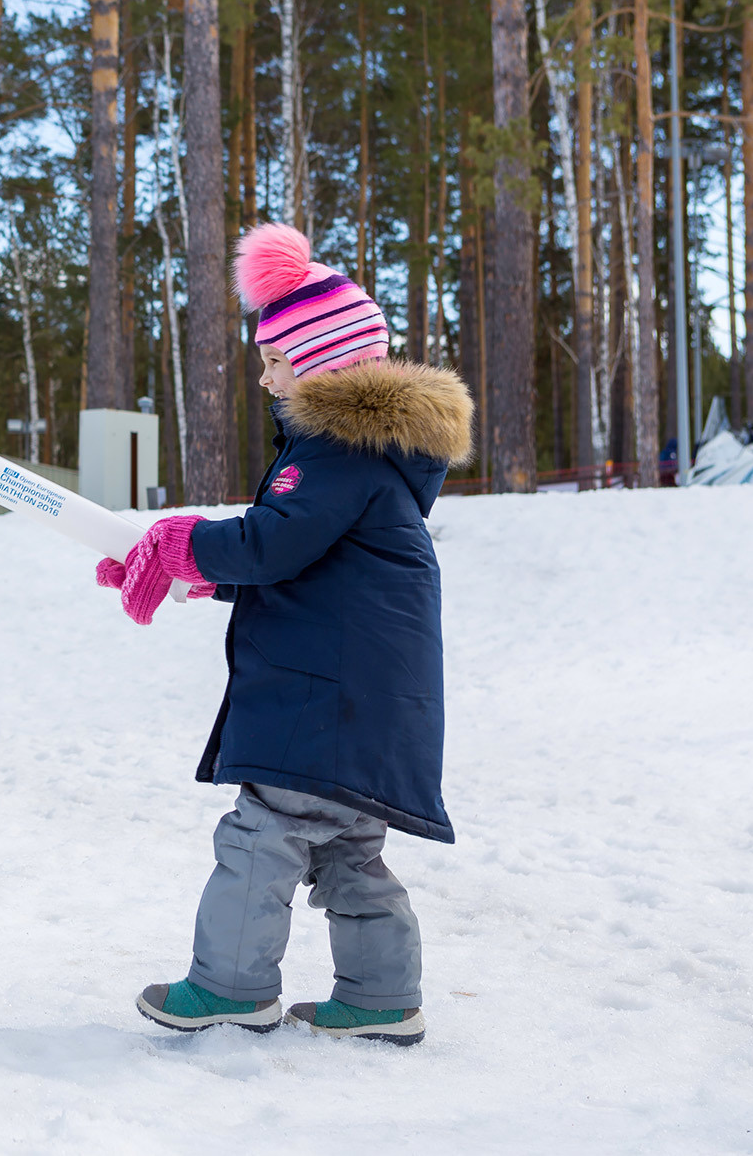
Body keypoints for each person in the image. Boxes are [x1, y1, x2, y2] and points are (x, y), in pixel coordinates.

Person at [98, 223, 473, 1047]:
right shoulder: (372, 458)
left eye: (276, 360)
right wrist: (199, 572)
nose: (263, 374)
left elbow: (273, 540)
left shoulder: (335, 449)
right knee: (347, 851)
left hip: (325, 700)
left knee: (262, 832)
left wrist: (184, 540)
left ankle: (229, 985)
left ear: (325, 364)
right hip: (366, 707)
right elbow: (302, 560)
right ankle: (381, 998)